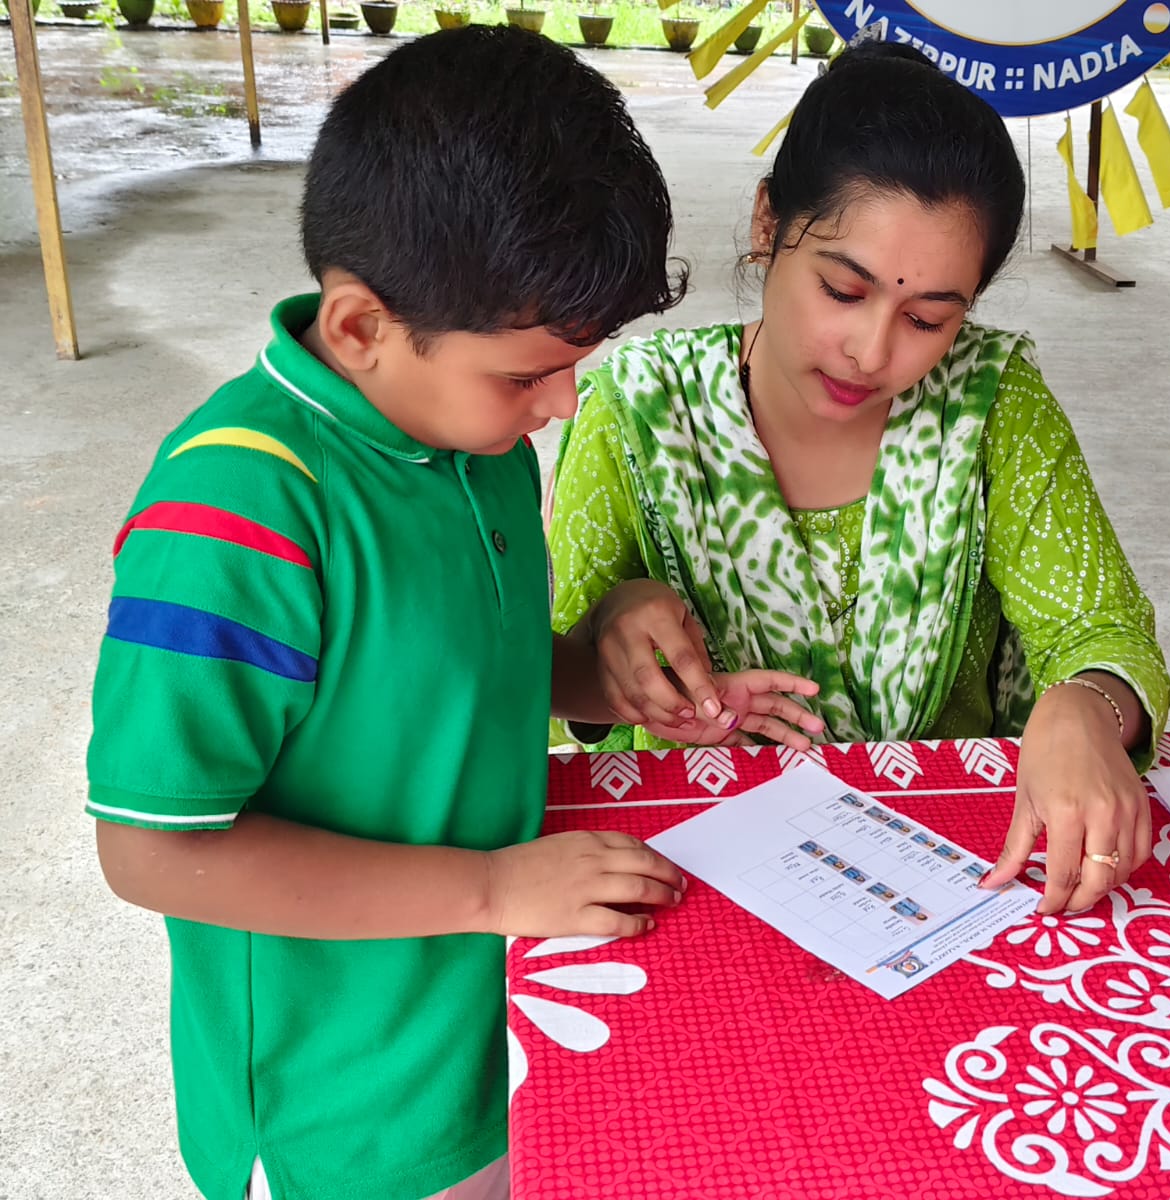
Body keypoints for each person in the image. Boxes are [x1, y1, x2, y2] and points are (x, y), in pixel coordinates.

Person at [86, 29, 820, 1200]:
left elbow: (447, 664)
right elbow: (151, 846)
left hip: (497, 1019)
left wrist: (605, 678)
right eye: (527, 374)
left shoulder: (464, 440)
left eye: (574, 364)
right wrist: (492, 891)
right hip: (347, 1105)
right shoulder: (234, 517)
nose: (562, 403)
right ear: (361, 327)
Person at [546, 41, 1170, 916]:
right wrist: (614, 641)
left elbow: (1103, 631)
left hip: (964, 873)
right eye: (843, 290)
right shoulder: (639, 408)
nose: (873, 351)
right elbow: (547, 694)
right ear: (768, 225)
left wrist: (1086, 708)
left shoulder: (991, 404)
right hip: (701, 876)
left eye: (927, 319)